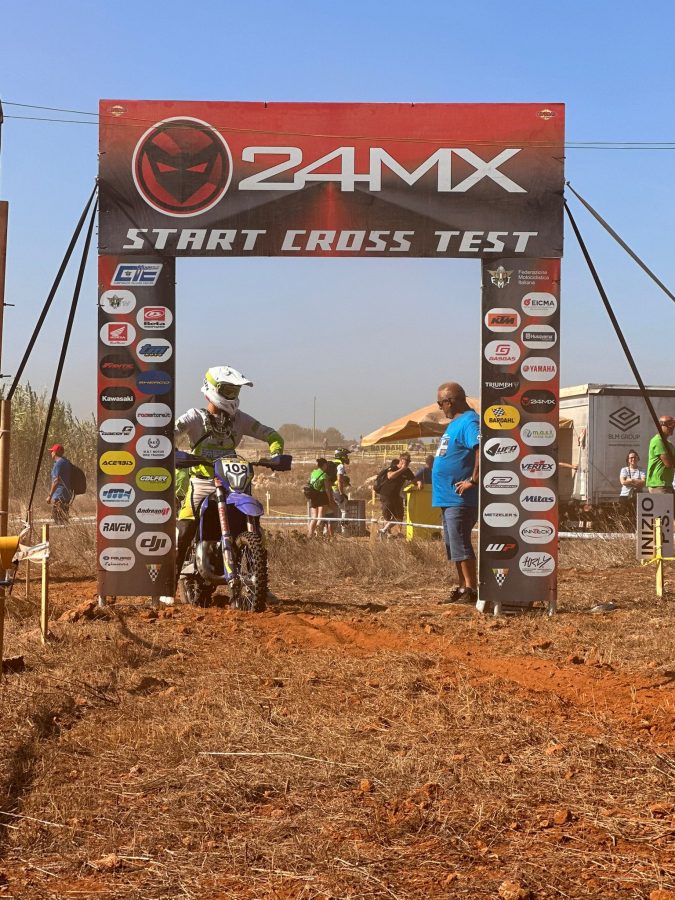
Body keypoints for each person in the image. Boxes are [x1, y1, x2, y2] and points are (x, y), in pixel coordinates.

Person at [160, 366, 284, 605]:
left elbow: (272, 435)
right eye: (228, 390)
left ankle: (259, 582)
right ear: (212, 389)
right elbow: (170, 433)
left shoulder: (240, 419)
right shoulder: (195, 417)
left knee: (255, 530)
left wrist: (276, 454)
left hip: (232, 483)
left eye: (235, 391)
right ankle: (169, 585)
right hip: (202, 481)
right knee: (184, 529)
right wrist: (174, 451)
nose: (232, 396)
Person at [431, 382, 480, 603]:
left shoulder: (469, 422)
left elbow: (481, 450)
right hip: (447, 497)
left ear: (450, 401)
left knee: (461, 542)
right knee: (454, 545)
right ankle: (462, 588)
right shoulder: (455, 424)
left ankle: (471, 589)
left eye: (440, 403)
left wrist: (473, 480)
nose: (440, 408)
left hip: (460, 498)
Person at [379, 452, 416, 536]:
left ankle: (383, 530)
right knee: (387, 516)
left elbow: (414, 479)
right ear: (401, 460)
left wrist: (418, 482)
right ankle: (385, 534)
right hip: (386, 495)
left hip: (397, 496)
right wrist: (402, 469)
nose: (408, 462)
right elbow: (390, 476)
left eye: (409, 461)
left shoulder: (407, 471)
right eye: (406, 460)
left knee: (399, 517)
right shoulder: (393, 467)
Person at [307, 458, 337, 538]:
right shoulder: (324, 475)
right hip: (322, 496)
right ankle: (318, 535)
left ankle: (310, 535)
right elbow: (327, 489)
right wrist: (330, 500)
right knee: (320, 517)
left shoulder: (313, 472)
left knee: (314, 518)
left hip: (313, 496)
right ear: (324, 465)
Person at [647, 415, 675, 494]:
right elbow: (668, 464)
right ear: (661, 426)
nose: (672, 427)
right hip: (658, 484)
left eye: (673, 425)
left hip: (667, 484)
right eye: (669, 424)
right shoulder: (657, 441)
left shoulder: (670, 444)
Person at [46, 443, 73, 524]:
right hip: (66, 494)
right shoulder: (66, 461)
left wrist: (50, 496)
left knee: (58, 518)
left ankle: (64, 530)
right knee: (63, 518)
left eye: (52, 451)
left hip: (60, 495)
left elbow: (56, 481)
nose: (51, 453)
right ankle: (66, 530)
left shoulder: (59, 463)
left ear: (55, 452)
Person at [331, 448, 351, 533]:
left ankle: (327, 532)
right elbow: (339, 480)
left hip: (328, 490)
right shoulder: (340, 466)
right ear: (341, 456)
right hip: (336, 490)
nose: (347, 457)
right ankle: (344, 531)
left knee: (331, 512)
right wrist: (341, 493)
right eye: (345, 455)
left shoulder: (331, 463)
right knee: (345, 510)